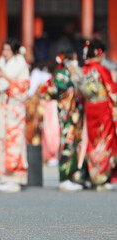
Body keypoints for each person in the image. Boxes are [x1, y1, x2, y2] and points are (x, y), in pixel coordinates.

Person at [41, 50, 85, 191]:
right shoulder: (61, 74)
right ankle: (64, 176)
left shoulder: (69, 73)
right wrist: (72, 78)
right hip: (66, 115)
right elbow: (61, 90)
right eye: (73, 59)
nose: (75, 61)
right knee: (67, 143)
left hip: (74, 115)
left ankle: (71, 175)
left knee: (73, 144)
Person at [79, 40, 117, 191]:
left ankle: (92, 174)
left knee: (92, 141)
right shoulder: (101, 69)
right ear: (99, 53)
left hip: (89, 108)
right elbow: (112, 90)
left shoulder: (84, 70)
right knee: (105, 140)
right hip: (102, 110)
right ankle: (101, 176)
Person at [0, 38, 30, 193]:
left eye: (8, 50)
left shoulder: (21, 66)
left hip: (15, 108)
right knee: (2, 140)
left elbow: (24, 87)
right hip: (3, 107)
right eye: (3, 50)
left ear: (14, 51)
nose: (5, 53)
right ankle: (4, 177)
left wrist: (6, 78)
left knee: (15, 142)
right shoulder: (0, 64)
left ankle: (16, 177)